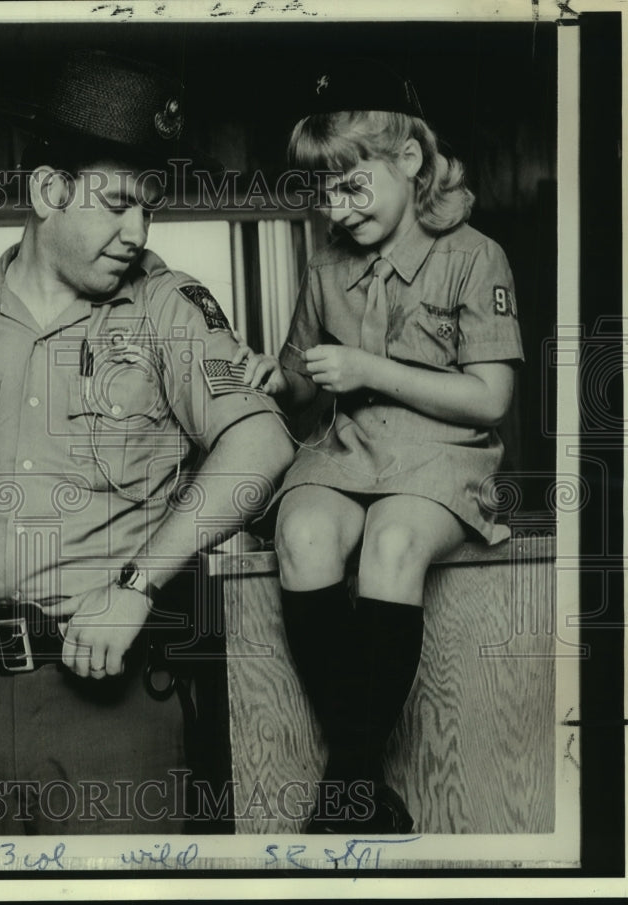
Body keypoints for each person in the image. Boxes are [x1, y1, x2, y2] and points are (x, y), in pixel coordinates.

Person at [0, 49, 295, 835]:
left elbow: (261, 444)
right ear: (48, 191)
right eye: (118, 203)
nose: (138, 229)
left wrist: (137, 585)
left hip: (111, 708)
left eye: (149, 207)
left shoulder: (169, 310)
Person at [237, 61, 524, 833]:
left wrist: (367, 368)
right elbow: (304, 385)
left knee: (392, 542)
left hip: (442, 454)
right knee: (301, 533)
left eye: (352, 185)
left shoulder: (476, 255)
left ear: (410, 161)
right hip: (346, 447)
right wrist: (277, 376)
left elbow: (491, 396)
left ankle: (348, 777)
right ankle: (361, 781)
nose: (336, 205)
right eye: (323, 189)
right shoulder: (326, 262)